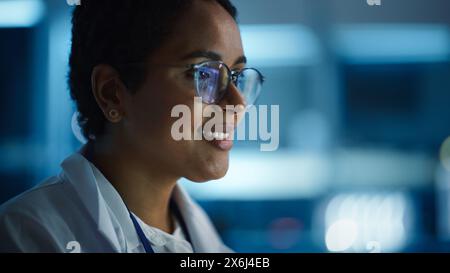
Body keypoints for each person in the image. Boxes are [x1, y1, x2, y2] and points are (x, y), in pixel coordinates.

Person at [0, 0, 265, 253]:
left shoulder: (201, 236)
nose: (237, 103)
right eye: (204, 74)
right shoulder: (25, 234)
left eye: (237, 76)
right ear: (113, 92)